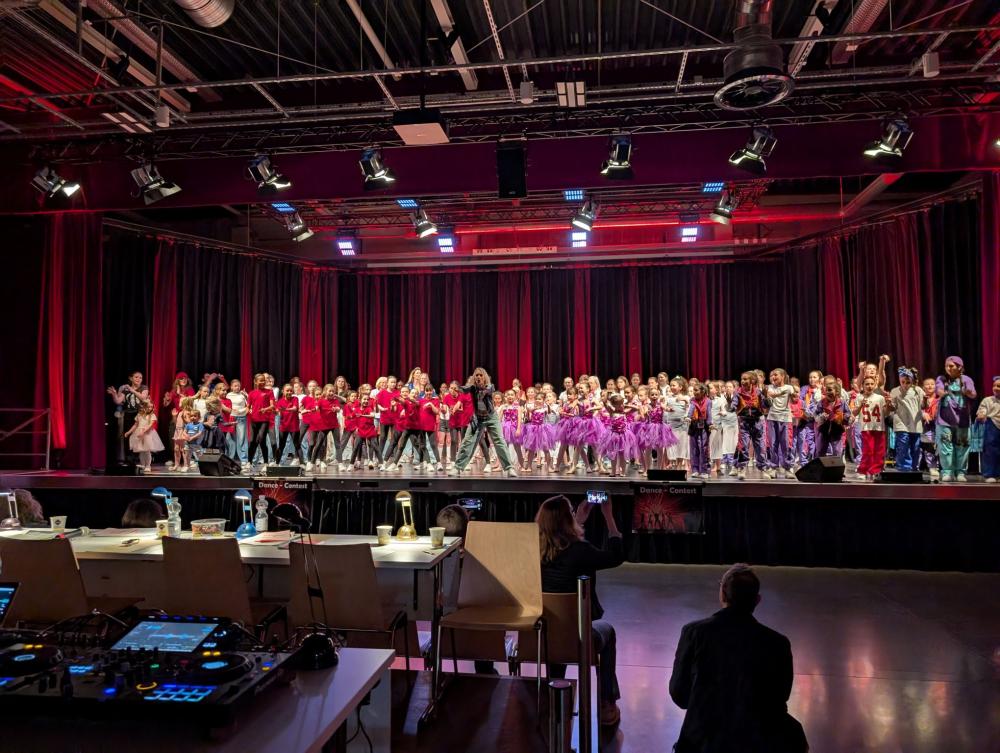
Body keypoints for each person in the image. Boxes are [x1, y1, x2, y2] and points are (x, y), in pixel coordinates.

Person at [669, 564, 808, 753]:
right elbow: (779, 698)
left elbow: (680, 696)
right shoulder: (778, 643)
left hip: (702, 742)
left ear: (723, 595)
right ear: (757, 600)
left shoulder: (693, 633)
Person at [536, 494, 624, 726]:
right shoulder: (579, 550)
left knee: (554, 627)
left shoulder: (531, 550)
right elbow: (616, 557)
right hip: (578, 637)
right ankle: (606, 703)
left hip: (540, 637)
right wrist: (609, 517)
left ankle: (554, 691)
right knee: (607, 632)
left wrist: (578, 521)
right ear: (568, 519)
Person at [448, 367, 517, 477]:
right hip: (477, 418)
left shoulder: (490, 386)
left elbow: (486, 391)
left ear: (484, 377)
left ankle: (509, 468)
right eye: (477, 375)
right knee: (467, 441)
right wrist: (456, 389)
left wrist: (479, 389)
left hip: (491, 417)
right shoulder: (472, 388)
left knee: (499, 441)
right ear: (474, 377)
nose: (478, 377)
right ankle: (457, 467)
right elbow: (463, 389)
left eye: (481, 375)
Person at [935, 356, 976, 482]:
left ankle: (960, 472)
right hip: (944, 420)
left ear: (960, 367)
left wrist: (967, 391)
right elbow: (939, 390)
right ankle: (947, 471)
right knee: (945, 446)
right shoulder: (942, 379)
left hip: (962, 419)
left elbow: (973, 394)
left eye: (951, 366)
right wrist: (942, 392)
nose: (948, 368)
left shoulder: (966, 379)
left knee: (962, 446)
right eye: (946, 366)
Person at [106, 370, 148, 463]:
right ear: (131, 378)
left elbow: (143, 398)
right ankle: (129, 457)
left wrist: (132, 390)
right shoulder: (125, 390)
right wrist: (114, 394)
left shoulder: (143, 387)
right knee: (128, 435)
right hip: (129, 414)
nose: (139, 379)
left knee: (140, 435)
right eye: (136, 377)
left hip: (140, 414)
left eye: (140, 377)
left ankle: (140, 458)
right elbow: (118, 401)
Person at [888, 367, 925, 472]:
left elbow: (923, 406)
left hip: (915, 424)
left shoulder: (918, 390)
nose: (905, 385)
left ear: (912, 381)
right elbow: (893, 407)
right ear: (899, 380)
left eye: (908, 382)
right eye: (903, 382)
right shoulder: (895, 391)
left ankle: (913, 467)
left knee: (915, 447)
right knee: (903, 445)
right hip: (901, 423)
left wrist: (925, 400)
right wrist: (889, 404)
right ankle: (904, 468)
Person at [852, 375, 887, 481]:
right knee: (868, 450)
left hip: (879, 427)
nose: (869, 386)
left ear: (875, 385)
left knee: (879, 451)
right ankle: (863, 470)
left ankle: (876, 470)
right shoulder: (859, 397)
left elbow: (886, 413)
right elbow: (854, 413)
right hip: (866, 427)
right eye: (867, 384)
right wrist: (860, 405)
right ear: (862, 386)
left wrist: (889, 405)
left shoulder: (880, 398)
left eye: (872, 384)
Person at [764, 369, 796, 479]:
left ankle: (787, 468)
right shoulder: (769, 387)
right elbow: (770, 396)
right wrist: (780, 393)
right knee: (773, 444)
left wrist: (794, 394)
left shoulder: (789, 387)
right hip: (772, 418)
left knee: (786, 444)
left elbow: (794, 399)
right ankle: (773, 468)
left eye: (776, 375)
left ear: (782, 376)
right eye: (772, 375)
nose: (773, 377)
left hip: (785, 419)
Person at [124, 399, 164, 472]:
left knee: (147, 450)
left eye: (151, 407)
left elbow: (150, 425)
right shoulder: (139, 415)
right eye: (148, 407)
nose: (150, 408)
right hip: (139, 433)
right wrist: (128, 432)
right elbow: (135, 425)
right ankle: (143, 465)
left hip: (147, 434)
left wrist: (143, 432)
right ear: (144, 407)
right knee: (141, 450)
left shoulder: (152, 415)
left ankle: (148, 465)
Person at [975, 376, 1000, 483]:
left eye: (999, 386)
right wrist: (981, 414)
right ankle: (990, 474)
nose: (996, 388)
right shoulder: (988, 400)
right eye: (994, 386)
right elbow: (982, 410)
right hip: (992, 425)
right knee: (990, 450)